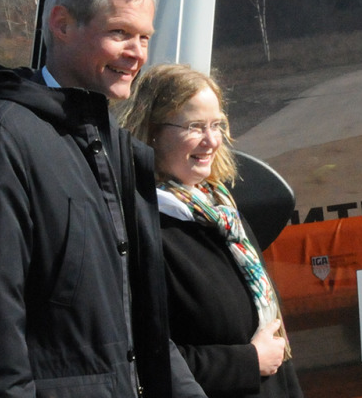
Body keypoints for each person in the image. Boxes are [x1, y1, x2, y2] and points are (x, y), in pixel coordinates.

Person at [0, 0, 206, 397]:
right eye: (119, 32)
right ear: (61, 24)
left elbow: (138, 325)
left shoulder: (114, 146)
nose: (137, 53)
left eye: (144, 37)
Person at [120, 63, 303, 398]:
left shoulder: (224, 214)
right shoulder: (140, 230)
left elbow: (274, 345)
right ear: (152, 132)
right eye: (194, 127)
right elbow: (144, 359)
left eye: (217, 125)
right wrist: (249, 362)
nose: (211, 141)